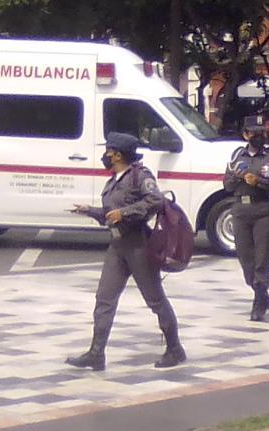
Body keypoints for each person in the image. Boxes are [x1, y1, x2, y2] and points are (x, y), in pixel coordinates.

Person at [66, 132, 186, 371]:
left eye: (109, 151)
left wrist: (125, 213)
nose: (106, 155)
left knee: (154, 299)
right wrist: (90, 211)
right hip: (117, 246)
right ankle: (96, 353)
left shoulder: (140, 176)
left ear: (118, 154)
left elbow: (155, 201)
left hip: (138, 246)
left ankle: (175, 349)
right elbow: (112, 214)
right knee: (104, 299)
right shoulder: (114, 180)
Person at [224, 115, 269, 320]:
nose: (258, 137)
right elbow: (227, 185)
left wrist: (258, 181)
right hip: (241, 209)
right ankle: (262, 294)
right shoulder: (236, 155)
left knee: (262, 257)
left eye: (261, 133)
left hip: (263, 209)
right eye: (254, 133)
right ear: (245, 135)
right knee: (245, 258)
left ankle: (259, 302)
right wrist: (237, 177)